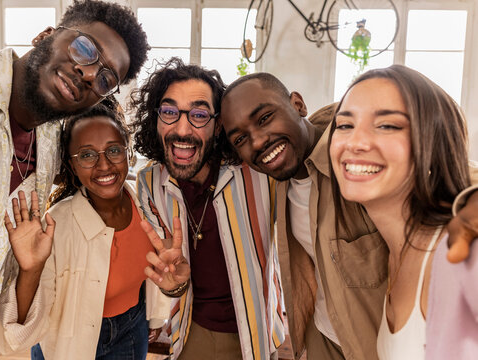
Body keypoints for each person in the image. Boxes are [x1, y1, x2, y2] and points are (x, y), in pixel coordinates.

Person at [0, 0, 149, 356]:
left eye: (105, 78)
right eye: (85, 49)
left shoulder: (50, 143)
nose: (87, 73)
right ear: (45, 36)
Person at [219, 72, 478, 360]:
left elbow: (454, 171)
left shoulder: (356, 165)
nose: (257, 142)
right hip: (323, 341)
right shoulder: (281, 178)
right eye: (241, 138)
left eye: (265, 118)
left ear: (297, 104)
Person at [0, 102, 173, 359]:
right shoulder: (56, 225)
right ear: (71, 165)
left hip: (132, 327)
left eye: (114, 150)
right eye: (87, 155)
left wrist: (156, 317)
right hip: (68, 343)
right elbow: (12, 340)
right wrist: (30, 270)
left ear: (128, 154)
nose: (104, 165)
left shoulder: (147, 204)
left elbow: (156, 273)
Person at [131, 57, 285, 360]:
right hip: (191, 331)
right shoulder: (150, 181)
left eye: (199, 114)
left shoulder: (257, 173)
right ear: (157, 119)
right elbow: (172, 280)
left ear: (218, 127)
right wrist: (174, 286)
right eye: (170, 112)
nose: (182, 129)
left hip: (257, 335)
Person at [328, 65, 477, 359]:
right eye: (345, 125)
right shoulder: (394, 255)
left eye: (388, 126)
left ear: (433, 144)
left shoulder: (461, 254)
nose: (356, 142)